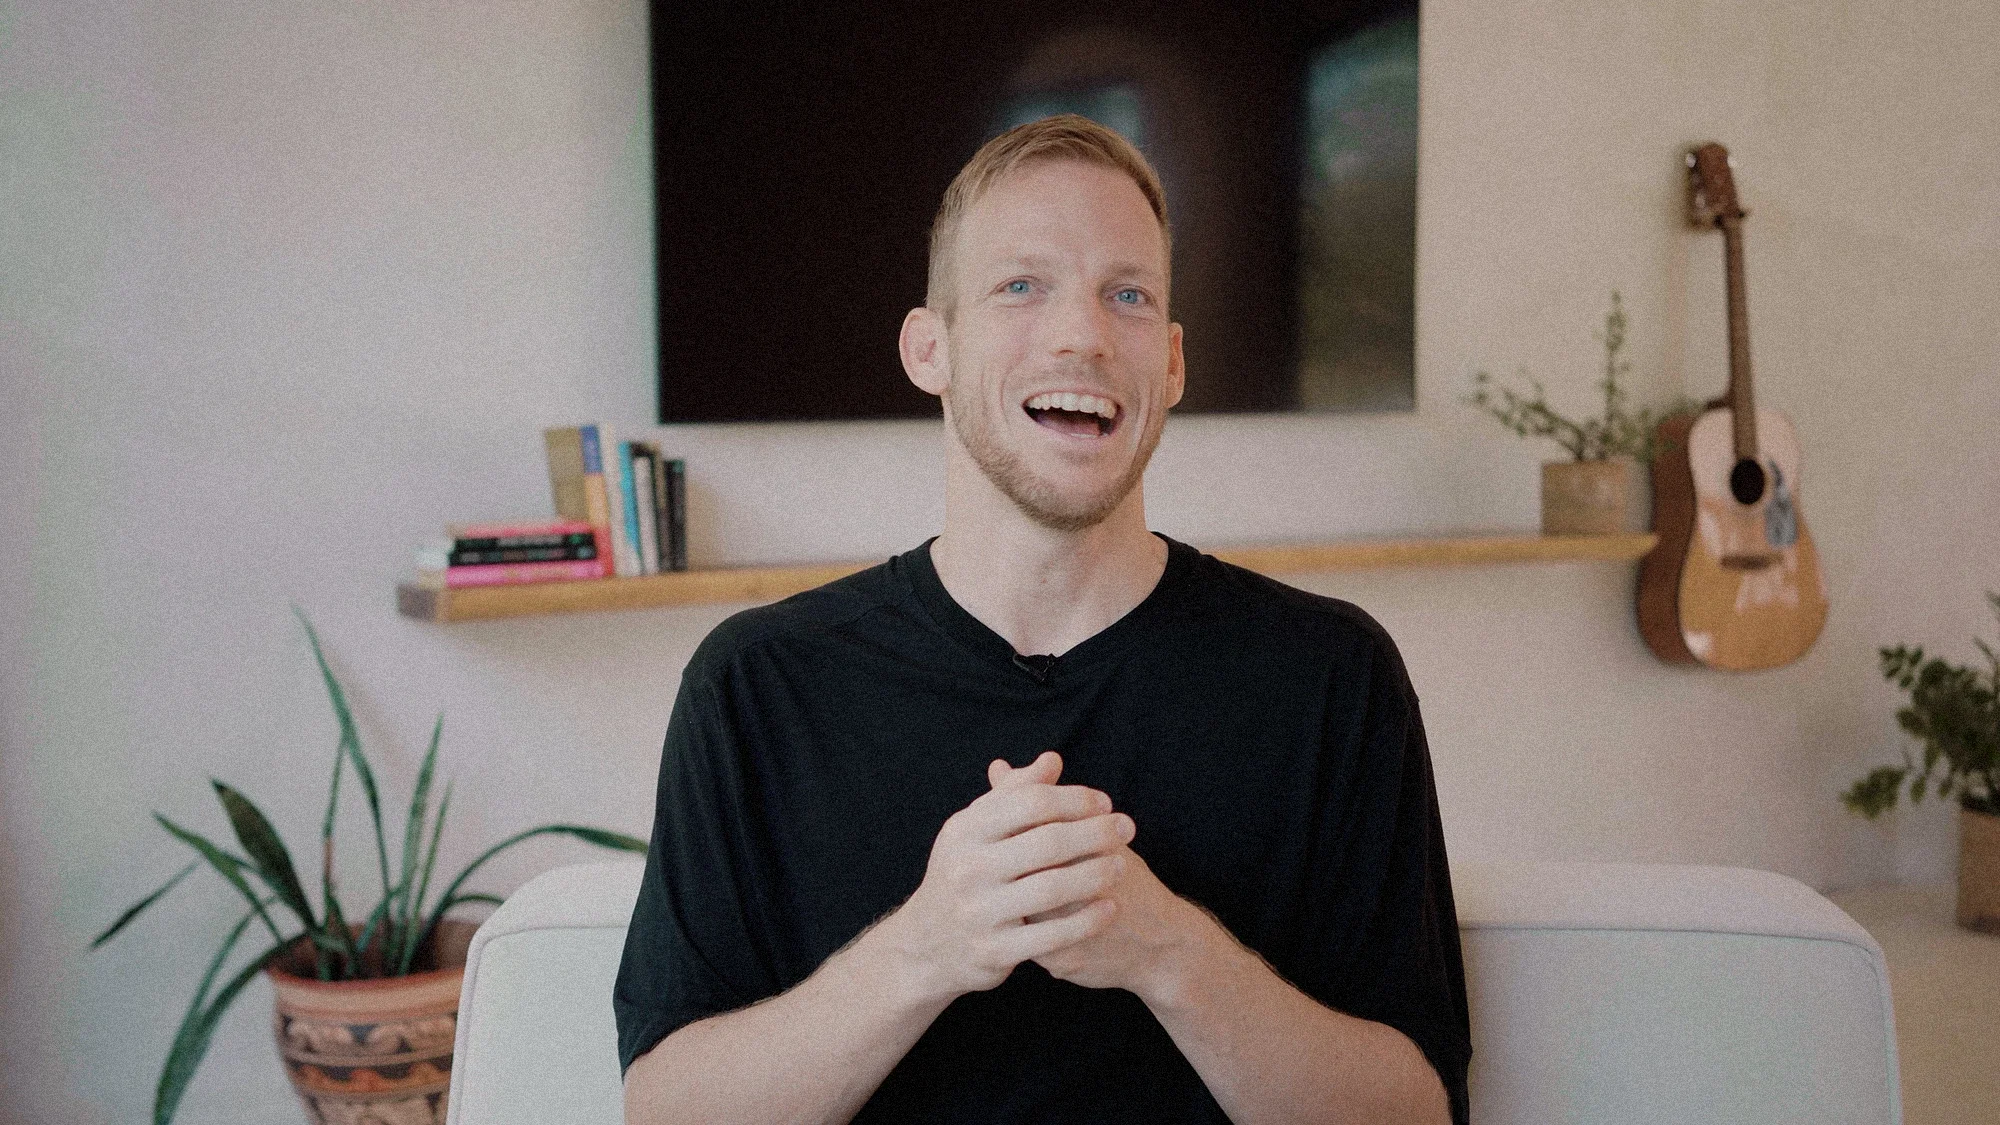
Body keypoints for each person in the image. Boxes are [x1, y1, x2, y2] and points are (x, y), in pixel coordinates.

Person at [616, 114, 1470, 1124]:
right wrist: (925, 950)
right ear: (928, 348)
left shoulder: (1332, 676)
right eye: (1021, 286)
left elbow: (1417, 1110)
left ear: (1174, 364)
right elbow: (664, 1109)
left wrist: (1167, 951)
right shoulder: (757, 684)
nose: (1082, 334)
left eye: (1129, 295)